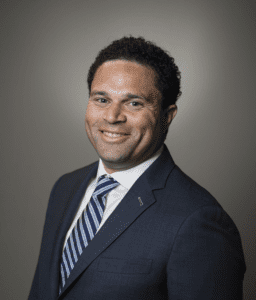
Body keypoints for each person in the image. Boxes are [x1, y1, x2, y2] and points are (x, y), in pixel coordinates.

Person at [28, 36, 246, 300]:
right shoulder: (65, 188)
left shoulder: (199, 221)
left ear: (168, 116)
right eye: (101, 99)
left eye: (134, 103)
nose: (112, 117)